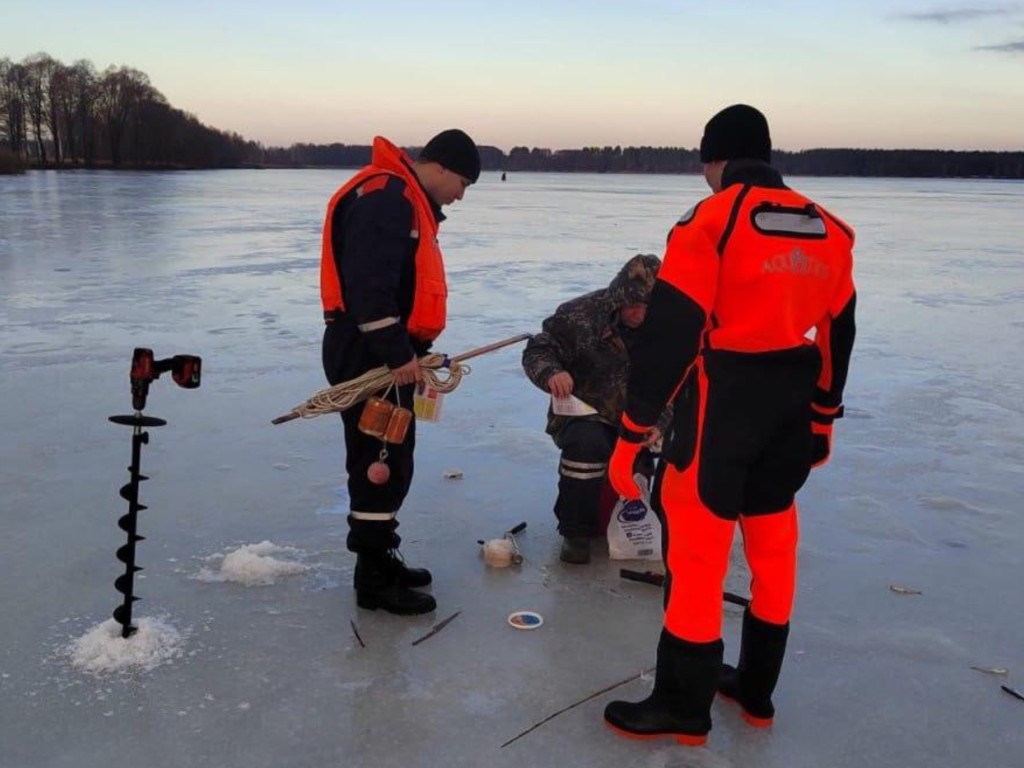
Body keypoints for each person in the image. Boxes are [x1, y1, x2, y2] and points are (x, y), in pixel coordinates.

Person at [602, 104, 856, 745]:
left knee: (698, 560)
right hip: (789, 413)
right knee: (774, 553)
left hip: (721, 409)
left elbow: (671, 333)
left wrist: (632, 433)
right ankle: (756, 692)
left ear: (716, 160)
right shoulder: (827, 229)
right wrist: (823, 418)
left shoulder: (712, 221)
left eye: (703, 167)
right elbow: (839, 333)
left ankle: (682, 709)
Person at [320, 129, 481, 616]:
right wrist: (396, 354)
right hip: (370, 353)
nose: (461, 195)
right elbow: (369, 288)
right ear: (443, 167)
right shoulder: (388, 200)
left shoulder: (399, 198)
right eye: (464, 183)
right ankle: (372, 580)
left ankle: (381, 557)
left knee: (391, 456)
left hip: (381, 350)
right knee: (379, 461)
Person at [521, 254, 666, 565]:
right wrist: (551, 373)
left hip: (645, 416)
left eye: (645, 307)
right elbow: (539, 349)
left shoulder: (674, 326)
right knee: (586, 445)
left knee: (688, 445)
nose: (637, 314)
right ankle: (575, 533)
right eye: (630, 305)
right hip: (588, 411)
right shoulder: (579, 314)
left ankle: (668, 528)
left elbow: (683, 379)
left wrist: (663, 423)